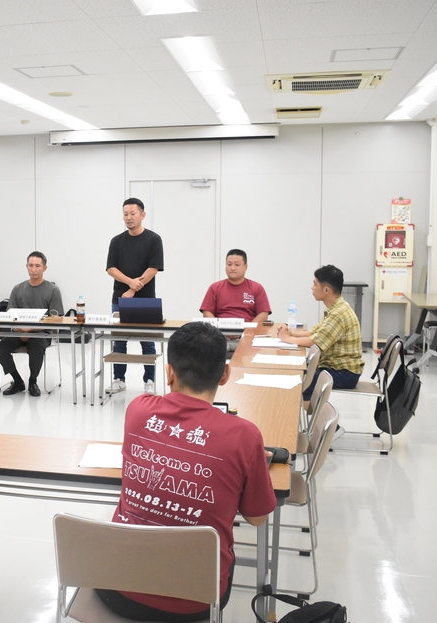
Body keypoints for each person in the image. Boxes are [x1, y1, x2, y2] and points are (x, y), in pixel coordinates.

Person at [99, 322, 276, 621]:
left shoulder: (138, 409)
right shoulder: (245, 436)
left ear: (169, 373)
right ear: (225, 375)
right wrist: (253, 466)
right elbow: (257, 518)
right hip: (194, 601)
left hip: (116, 588)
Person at [277, 264, 364, 401]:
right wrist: (292, 334)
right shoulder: (336, 307)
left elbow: (314, 342)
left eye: (315, 284)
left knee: (299, 382)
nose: (312, 288)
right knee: (297, 375)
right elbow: (316, 332)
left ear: (326, 290)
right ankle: (313, 421)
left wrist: (287, 339)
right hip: (336, 369)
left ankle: (314, 422)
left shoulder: (338, 313)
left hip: (344, 374)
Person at [106, 197, 164, 395]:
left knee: (147, 341)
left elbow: (153, 268)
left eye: (132, 213)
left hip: (146, 300)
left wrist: (133, 288)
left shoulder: (154, 239)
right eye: (125, 214)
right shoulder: (117, 241)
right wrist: (130, 282)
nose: (128, 217)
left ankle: (149, 380)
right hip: (119, 299)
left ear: (142, 215)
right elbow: (111, 269)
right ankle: (119, 379)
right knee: (119, 340)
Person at [0, 251, 65, 397]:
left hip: (41, 333)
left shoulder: (53, 290)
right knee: (1, 348)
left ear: (44, 268)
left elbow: (56, 318)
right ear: (26, 266)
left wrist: (31, 329)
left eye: (37, 266)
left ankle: (33, 381)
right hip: (19, 331)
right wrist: (19, 329)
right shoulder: (17, 289)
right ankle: (18, 381)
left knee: (36, 347)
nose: (33, 269)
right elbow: (11, 315)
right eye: (31, 265)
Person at [200, 249, 271, 323]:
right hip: (220, 331)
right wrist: (216, 330)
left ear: (245, 267)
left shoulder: (257, 288)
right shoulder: (215, 287)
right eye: (229, 264)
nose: (232, 268)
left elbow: (263, 313)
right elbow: (207, 311)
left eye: (237, 265)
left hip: (248, 331)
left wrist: (249, 330)